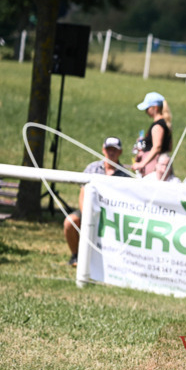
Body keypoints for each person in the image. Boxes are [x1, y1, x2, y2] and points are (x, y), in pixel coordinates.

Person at [64, 137, 130, 266]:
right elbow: (82, 195)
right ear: (103, 150)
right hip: (89, 209)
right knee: (70, 222)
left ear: (120, 152)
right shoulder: (92, 168)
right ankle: (76, 256)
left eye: (114, 150)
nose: (111, 153)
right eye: (108, 149)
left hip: (112, 217)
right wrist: (88, 216)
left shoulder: (125, 175)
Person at [133, 91, 173, 179]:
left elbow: (157, 147)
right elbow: (169, 147)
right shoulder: (166, 124)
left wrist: (142, 164)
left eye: (147, 108)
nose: (146, 111)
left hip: (155, 167)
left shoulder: (157, 126)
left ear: (155, 108)